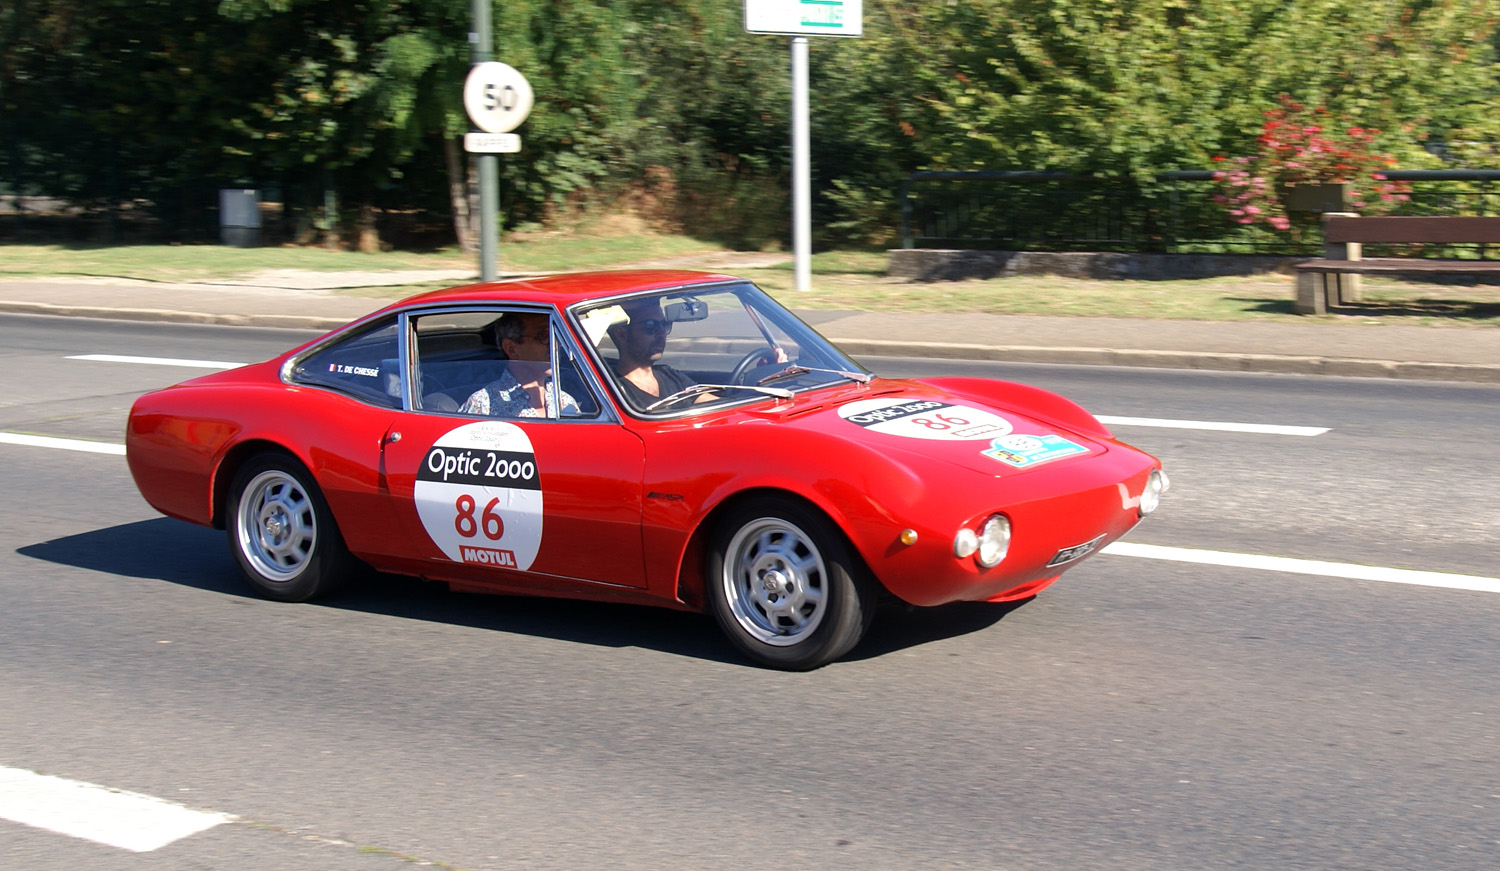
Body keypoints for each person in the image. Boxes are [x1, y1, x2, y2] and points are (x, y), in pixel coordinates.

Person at [460, 311, 578, 418]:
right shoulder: (484, 404)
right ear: (511, 349)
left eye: (555, 335)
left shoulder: (565, 402)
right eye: (543, 336)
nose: (554, 344)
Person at [606, 297, 700, 409]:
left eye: (664, 325)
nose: (662, 333)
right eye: (651, 326)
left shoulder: (670, 374)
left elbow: (711, 403)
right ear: (621, 334)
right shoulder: (612, 391)